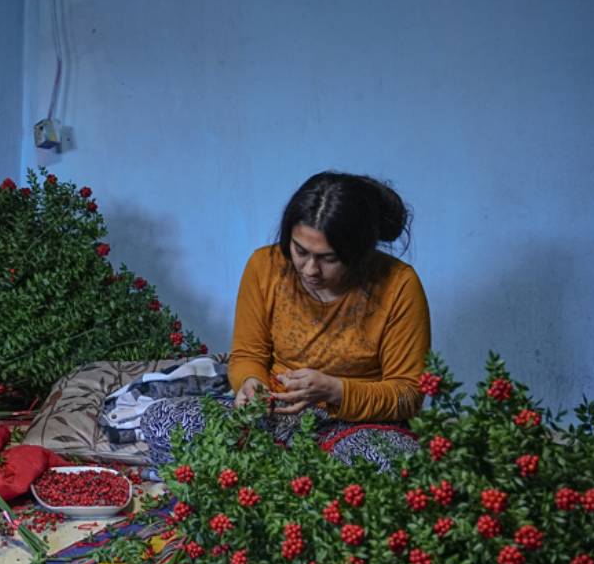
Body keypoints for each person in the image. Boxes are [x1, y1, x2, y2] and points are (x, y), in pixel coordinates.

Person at [143, 171, 431, 469]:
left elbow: (408, 393)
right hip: (274, 415)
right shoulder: (264, 267)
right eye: (300, 251)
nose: (310, 269)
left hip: (353, 426)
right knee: (162, 421)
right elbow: (248, 355)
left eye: (328, 258)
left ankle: (272, 472)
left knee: (391, 462)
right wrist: (250, 383)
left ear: (359, 252)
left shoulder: (399, 285)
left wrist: (335, 390)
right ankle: (294, 474)